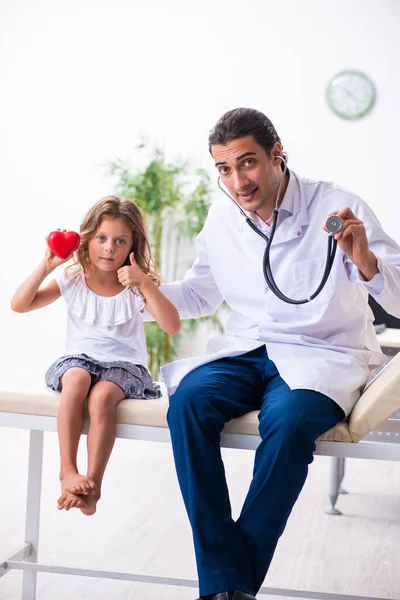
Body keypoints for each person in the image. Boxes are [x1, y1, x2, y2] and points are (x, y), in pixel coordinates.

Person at [156, 108, 400, 600]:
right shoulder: (223, 216)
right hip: (248, 348)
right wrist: (137, 290)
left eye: (247, 163)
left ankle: (226, 585)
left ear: (277, 155)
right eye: (224, 169)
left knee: (288, 425)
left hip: (322, 354)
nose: (237, 180)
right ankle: (232, 584)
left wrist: (366, 262)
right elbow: (202, 296)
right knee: (187, 403)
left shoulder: (338, 204)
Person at [11, 195, 180, 516]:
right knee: (75, 380)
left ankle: (94, 485)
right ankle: (67, 471)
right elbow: (20, 304)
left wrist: (145, 283)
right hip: (80, 359)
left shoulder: (134, 285)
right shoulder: (73, 279)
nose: (109, 248)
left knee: (102, 398)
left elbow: (172, 326)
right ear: (88, 239)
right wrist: (46, 266)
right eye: (102, 238)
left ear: (132, 246)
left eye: (120, 241)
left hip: (124, 366)